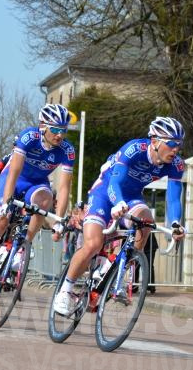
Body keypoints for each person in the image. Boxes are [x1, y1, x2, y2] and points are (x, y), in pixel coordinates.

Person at [53, 116, 186, 316]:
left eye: (179, 145)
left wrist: (175, 223)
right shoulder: (134, 149)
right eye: (172, 144)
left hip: (131, 197)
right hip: (105, 192)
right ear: (155, 141)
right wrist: (117, 203)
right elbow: (114, 183)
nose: (176, 149)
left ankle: (117, 274)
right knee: (93, 244)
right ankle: (65, 291)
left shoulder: (176, 164)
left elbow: (174, 198)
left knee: (146, 221)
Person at [0, 103, 75, 309]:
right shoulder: (29, 137)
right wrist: (5, 202)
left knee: (45, 200)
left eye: (63, 130)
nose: (60, 135)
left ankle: (23, 246)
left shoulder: (67, 150)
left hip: (37, 184)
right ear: (43, 126)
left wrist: (59, 219)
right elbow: (14, 171)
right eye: (55, 129)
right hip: (13, 180)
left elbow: (64, 187)